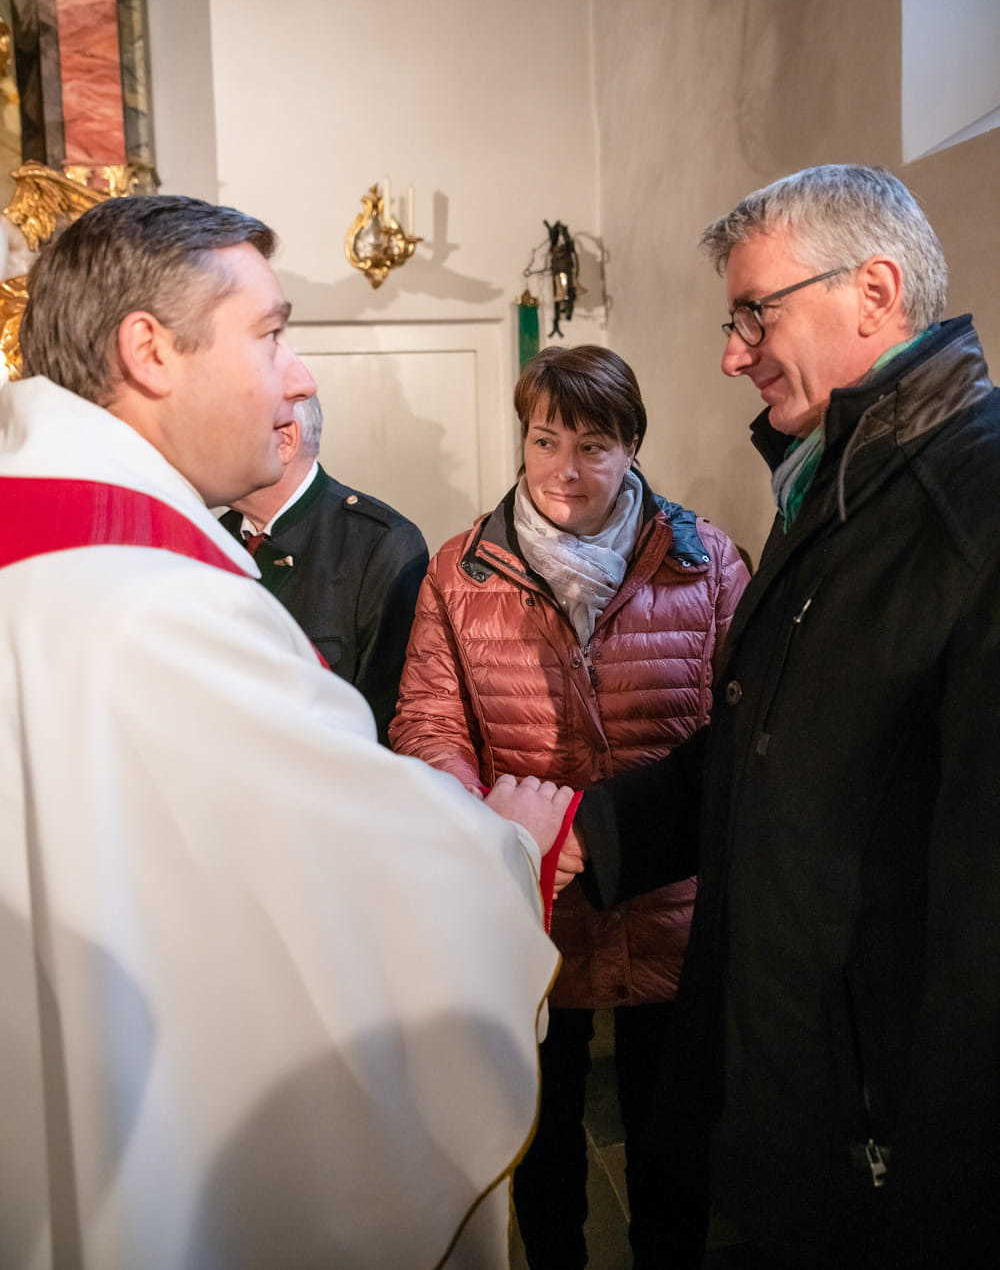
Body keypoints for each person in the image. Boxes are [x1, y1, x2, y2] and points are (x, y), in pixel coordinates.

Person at [0, 193, 573, 1270]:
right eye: (269, 334)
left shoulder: (44, 541)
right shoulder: (157, 605)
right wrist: (505, 848)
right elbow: (349, 877)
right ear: (150, 352)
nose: (293, 375)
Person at [542, 165, 1000, 1268]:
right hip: (783, 1095)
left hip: (880, 1152)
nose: (732, 353)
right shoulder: (840, 480)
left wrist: (940, 1196)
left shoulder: (970, 504)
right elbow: (774, 752)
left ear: (874, 292)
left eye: (757, 313)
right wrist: (586, 833)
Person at [391, 344, 748, 1270]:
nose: (564, 470)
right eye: (545, 440)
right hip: (531, 903)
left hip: (670, 901)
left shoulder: (705, 562)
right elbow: (428, 722)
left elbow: (746, 726)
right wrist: (497, 829)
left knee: (673, 1151)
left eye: (593, 446)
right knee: (542, 1151)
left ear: (632, 447)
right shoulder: (461, 572)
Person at [219, 394, 428, 743]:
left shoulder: (379, 542)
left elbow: (385, 717)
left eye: (219, 429)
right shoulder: (211, 537)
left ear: (285, 439)